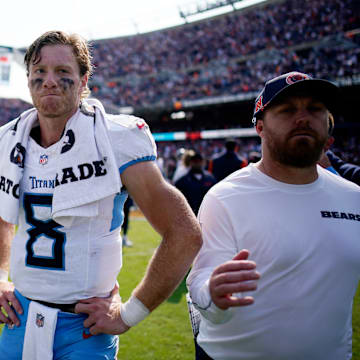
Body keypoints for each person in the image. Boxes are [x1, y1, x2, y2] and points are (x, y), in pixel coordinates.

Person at [0, 30, 202, 359]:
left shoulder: (114, 139)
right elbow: (2, 217)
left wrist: (129, 314)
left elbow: (184, 232)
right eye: (39, 73)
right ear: (28, 81)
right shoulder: (8, 140)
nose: (49, 81)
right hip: (20, 319)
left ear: (83, 82)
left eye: (63, 72)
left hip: (85, 327)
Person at [187, 71, 360, 360]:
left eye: (315, 109)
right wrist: (213, 293)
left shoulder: (353, 197)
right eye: (288, 110)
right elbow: (201, 282)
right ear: (260, 127)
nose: (303, 118)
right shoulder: (225, 197)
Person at [175, 151, 217, 216]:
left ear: (202, 162)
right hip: (190, 215)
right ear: (191, 163)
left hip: (207, 214)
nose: (197, 164)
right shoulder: (182, 181)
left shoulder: (210, 178)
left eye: (199, 161)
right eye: (195, 161)